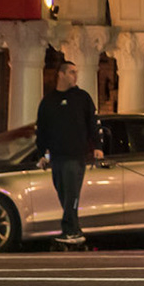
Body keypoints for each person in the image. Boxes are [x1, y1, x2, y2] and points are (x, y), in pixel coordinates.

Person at [33, 59, 102, 243]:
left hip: (76, 156)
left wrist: (97, 147)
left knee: (72, 193)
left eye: (75, 72)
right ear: (61, 74)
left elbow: (93, 123)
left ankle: (69, 230)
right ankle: (75, 230)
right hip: (57, 157)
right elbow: (42, 130)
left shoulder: (82, 98)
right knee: (64, 194)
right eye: (71, 72)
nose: (75, 76)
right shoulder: (48, 102)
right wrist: (41, 154)